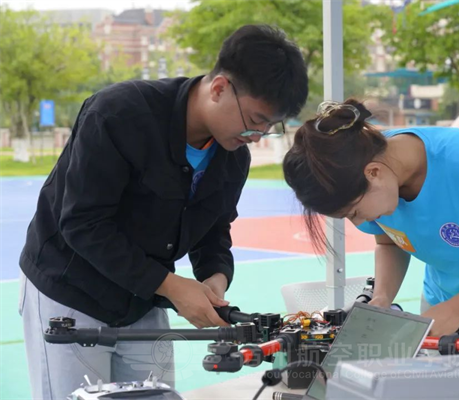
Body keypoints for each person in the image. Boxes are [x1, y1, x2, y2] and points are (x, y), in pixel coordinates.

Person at [18, 24, 308, 399]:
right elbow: (82, 223)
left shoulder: (233, 157)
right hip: (70, 294)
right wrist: (171, 286)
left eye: (270, 126)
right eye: (255, 120)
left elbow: (214, 229)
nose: (258, 135)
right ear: (219, 88)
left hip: (143, 300)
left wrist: (215, 279)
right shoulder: (118, 114)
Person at [283, 99, 459, 351]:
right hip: (443, 307)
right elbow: (389, 240)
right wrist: (382, 297)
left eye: (354, 212)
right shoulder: (371, 171)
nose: (359, 223)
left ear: (374, 173)